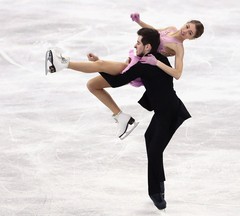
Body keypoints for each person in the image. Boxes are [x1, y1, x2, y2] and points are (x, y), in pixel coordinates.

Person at [45, 14, 204, 140]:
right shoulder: (171, 28)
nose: (185, 31)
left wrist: (156, 63)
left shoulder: (178, 48)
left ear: (192, 38)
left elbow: (177, 74)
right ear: (186, 22)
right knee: (93, 85)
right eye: (188, 26)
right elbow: (153, 32)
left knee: (100, 65)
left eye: (190, 33)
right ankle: (122, 118)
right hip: (137, 59)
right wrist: (139, 22)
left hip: (142, 67)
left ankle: (61, 64)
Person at [100, 27, 191, 210]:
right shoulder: (160, 59)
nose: (135, 45)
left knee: (155, 151)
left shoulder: (145, 65)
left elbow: (117, 82)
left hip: (170, 112)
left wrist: (99, 66)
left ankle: (157, 194)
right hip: (165, 110)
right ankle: (159, 185)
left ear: (148, 47)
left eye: (139, 43)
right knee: (149, 140)